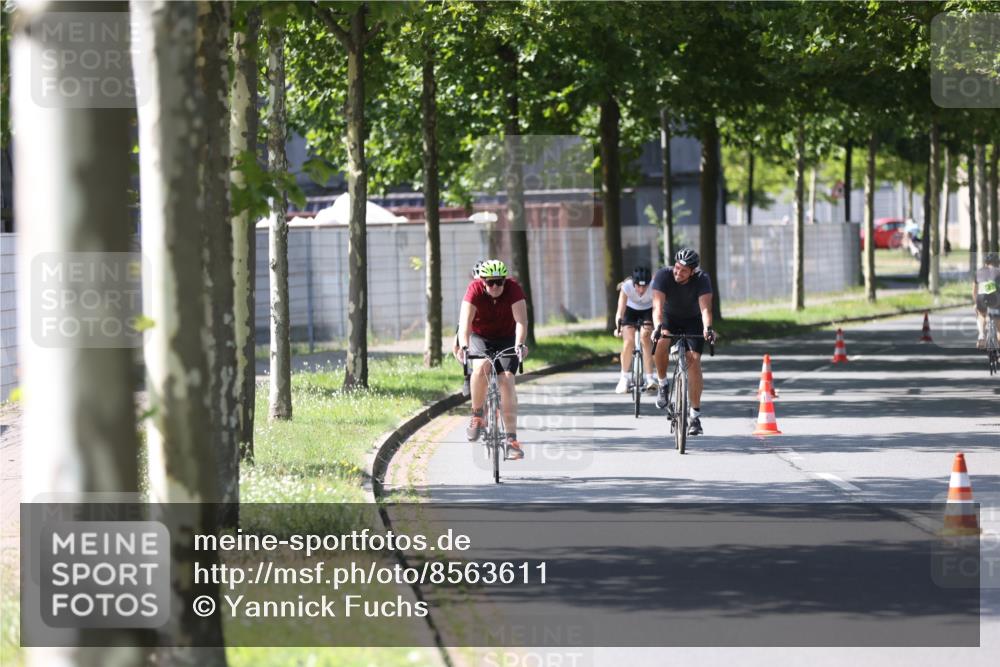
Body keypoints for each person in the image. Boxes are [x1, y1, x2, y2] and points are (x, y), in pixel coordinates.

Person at [457, 259, 529, 460]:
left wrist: (520, 344)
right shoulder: (473, 290)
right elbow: (465, 324)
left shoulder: (514, 289)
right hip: (482, 338)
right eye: (490, 282)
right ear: (482, 282)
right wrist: (463, 346)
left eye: (499, 282)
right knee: (480, 368)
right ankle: (477, 415)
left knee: (506, 379)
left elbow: (521, 322)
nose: (495, 287)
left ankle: (511, 439)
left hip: (507, 339)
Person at [651, 248, 716, 436]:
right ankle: (663, 384)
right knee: (662, 340)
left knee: (693, 361)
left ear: (693, 271)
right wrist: (657, 326)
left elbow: (705, 309)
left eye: (684, 270)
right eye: (677, 268)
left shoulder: (702, 279)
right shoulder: (664, 275)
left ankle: (694, 416)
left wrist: (708, 329)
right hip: (668, 318)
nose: (678, 273)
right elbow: (657, 307)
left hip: (693, 321)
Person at [613, 266, 657, 394]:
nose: (642, 290)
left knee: (645, 338)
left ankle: (650, 378)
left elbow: (657, 308)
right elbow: (620, 311)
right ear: (634, 284)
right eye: (638, 286)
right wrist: (618, 327)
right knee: (629, 342)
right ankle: (624, 379)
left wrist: (656, 327)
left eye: (645, 286)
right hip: (630, 311)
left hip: (647, 311)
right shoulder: (626, 287)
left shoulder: (654, 287)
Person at [455, 259, 487, 396]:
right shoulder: (472, 290)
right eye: (477, 279)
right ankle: (468, 374)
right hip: (471, 323)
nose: (481, 283)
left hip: (486, 326)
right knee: (456, 347)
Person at [974, 252, 1000, 350]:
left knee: (981, 314)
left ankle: (981, 335)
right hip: (995, 299)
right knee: (999, 329)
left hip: (981, 298)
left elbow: (974, 291)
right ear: (998, 263)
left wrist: (975, 303)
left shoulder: (978, 272)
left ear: (985, 263)